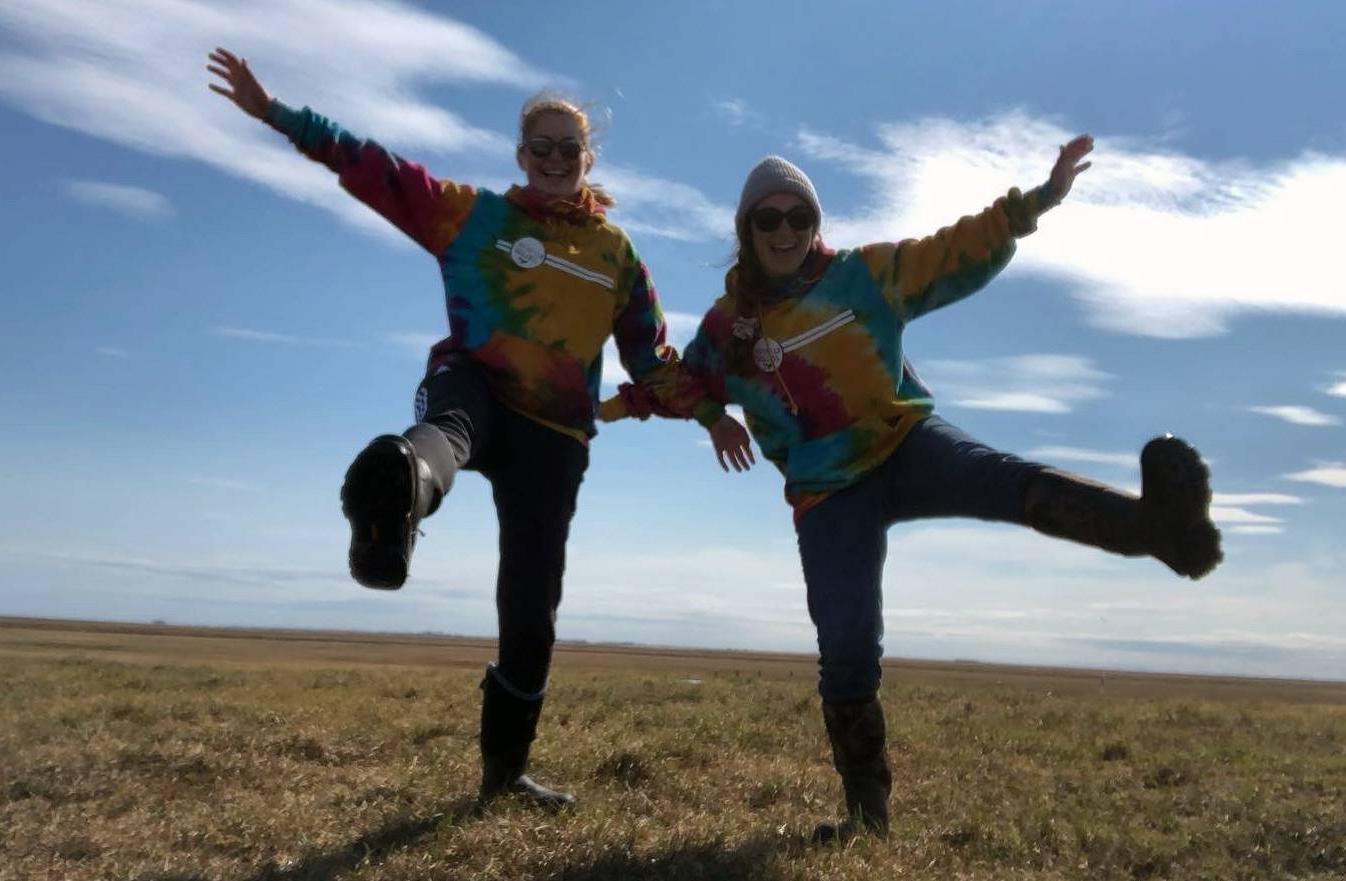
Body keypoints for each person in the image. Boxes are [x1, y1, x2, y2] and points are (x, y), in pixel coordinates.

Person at [601, 139, 1223, 841]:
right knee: (847, 643)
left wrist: (1037, 201)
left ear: (814, 222)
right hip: (829, 490)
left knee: (1000, 479)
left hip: (906, 444)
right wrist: (626, 408)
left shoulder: (865, 277)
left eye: (797, 216)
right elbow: (680, 382)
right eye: (766, 220)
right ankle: (868, 817)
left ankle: (1158, 529)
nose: (783, 232)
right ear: (745, 231)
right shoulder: (726, 330)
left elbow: (952, 252)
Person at [208, 48, 695, 810]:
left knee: (531, 612)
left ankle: (504, 773)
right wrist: (279, 114)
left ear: (587, 157)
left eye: (570, 148)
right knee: (450, 426)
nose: (557, 158)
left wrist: (714, 398)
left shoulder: (616, 254)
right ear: (521, 156)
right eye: (543, 146)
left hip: (557, 437)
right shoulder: (473, 216)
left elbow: (651, 359)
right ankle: (398, 490)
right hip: (475, 381)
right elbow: (381, 171)